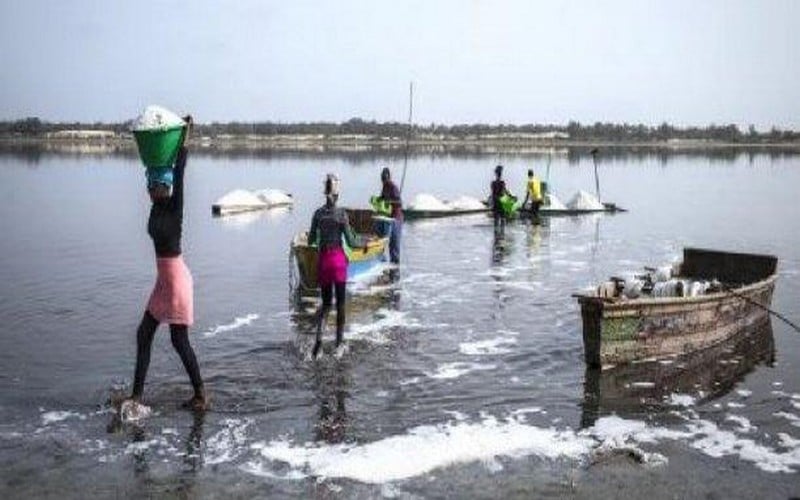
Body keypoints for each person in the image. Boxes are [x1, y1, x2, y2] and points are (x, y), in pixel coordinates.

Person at [127, 115, 207, 412]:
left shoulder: (175, 206)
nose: (149, 190)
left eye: (153, 185)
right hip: (164, 281)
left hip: (176, 280)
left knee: (178, 339)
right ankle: (136, 397)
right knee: (144, 334)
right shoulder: (155, 207)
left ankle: (201, 394)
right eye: (148, 185)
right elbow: (160, 163)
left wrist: (185, 133)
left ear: (164, 186)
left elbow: (180, 167)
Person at [309, 174, 367, 359]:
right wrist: (364, 243)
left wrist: (320, 237)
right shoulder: (342, 214)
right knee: (340, 305)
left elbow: (311, 240)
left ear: (324, 193)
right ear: (337, 195)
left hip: (324, 262)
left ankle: (318, 345)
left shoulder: (317, 214)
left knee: (326, 305)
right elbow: (351, 242)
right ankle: (339, 344)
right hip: (338, 262)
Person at [377, 167, 403, 264]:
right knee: (384, 242)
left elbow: (399, 202)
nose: (384, 180)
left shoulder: (393, 187)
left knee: (394, 244)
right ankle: (383, 262)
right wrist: (379, 199)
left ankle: (395, 264)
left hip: (396, 219)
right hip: (388, 218)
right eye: (382, 178)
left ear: (389, 177)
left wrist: (390, 201)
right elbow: (383, 197)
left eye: (385, 178)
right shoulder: (384, 187)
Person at [490, 164, 512, 231]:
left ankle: (496, 234)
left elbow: (492, 193)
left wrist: (492, 202)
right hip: (501, 202)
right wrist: (511, 196)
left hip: (495, 202)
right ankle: (502, 234)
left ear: (496, 174)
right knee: (502, 219)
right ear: (501, 175)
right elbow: (504, 192)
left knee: (496, 220)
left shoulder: (493, 183)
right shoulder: (502, 183)